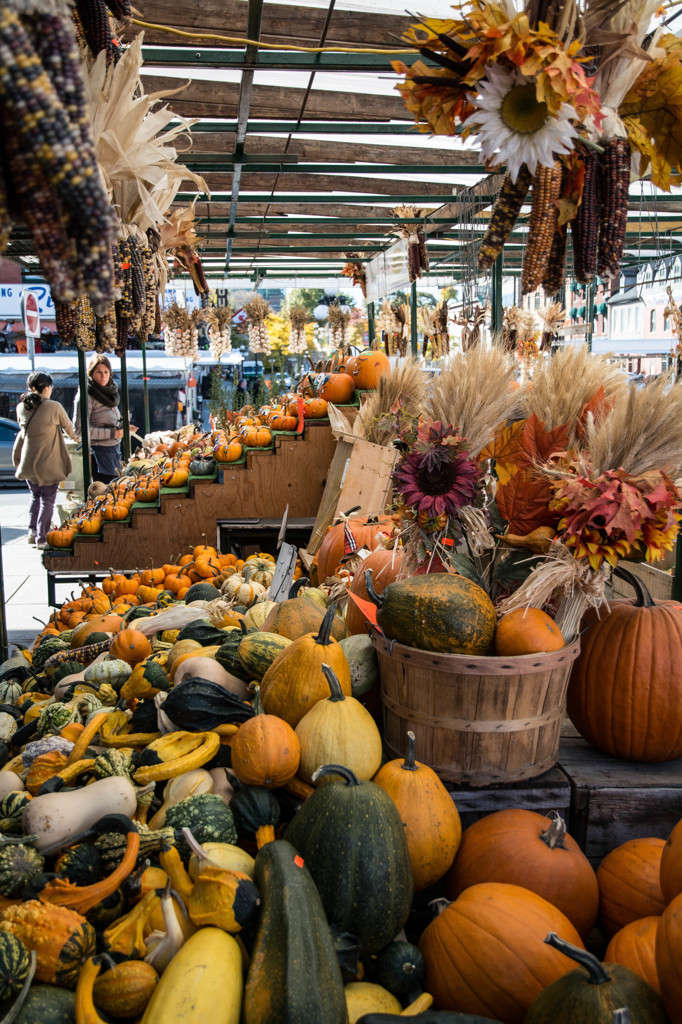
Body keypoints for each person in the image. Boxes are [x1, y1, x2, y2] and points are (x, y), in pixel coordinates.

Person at [13, 371, 78, 548]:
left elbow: (24, 432)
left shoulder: (21, 408)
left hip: (28, 461)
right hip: (48, 462)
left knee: (35, 497)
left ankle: (32, 532)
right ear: (47, 388)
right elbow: (69, 429)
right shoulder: (54, 406)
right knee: (48, 500)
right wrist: (80, 440)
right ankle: (43, 538)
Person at [72, 354, 137, 484]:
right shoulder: (86, 396)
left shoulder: (110, 393)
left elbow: (111, 421)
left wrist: (123, 428)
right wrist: (113, 433)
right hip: (99, 454)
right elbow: (79, 430)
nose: (103, 376)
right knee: (106, 493)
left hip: (114, 451)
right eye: (99, 372)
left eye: (106, 372)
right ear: (91, 374)